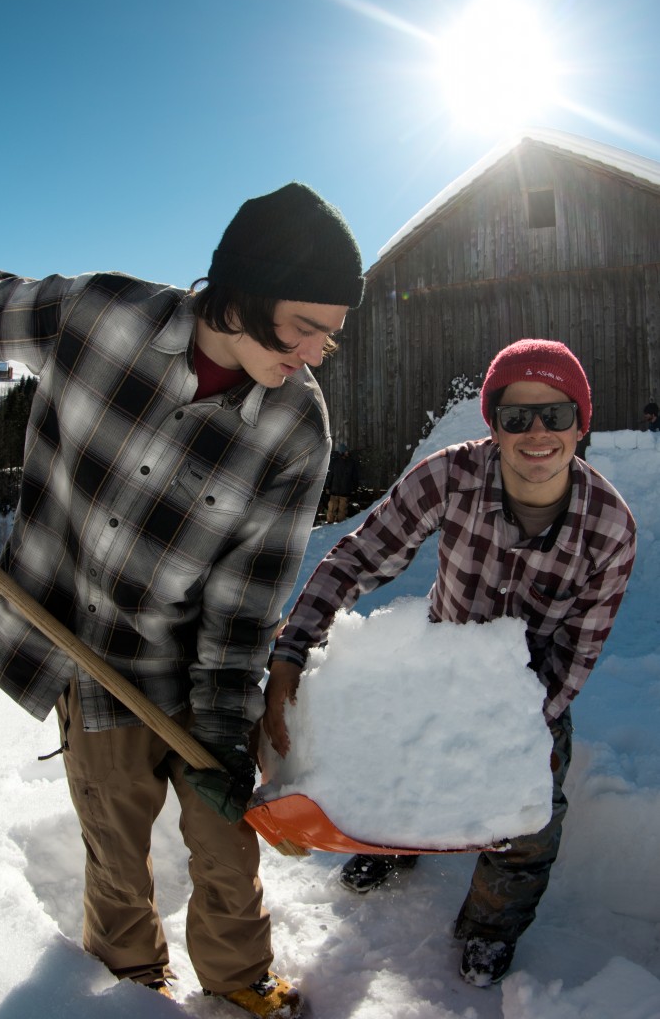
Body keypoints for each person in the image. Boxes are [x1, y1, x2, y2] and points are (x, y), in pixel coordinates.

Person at [0, 182, 364, 1019]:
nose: (317, 351)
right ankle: (126, 986)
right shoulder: (98, 315)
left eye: (332, 334)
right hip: (76, 641)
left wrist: (223, 733)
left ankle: (237, 983)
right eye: (306, 325)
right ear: (244, 291)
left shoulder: (295, 427)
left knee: (226, 845)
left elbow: (247, 603)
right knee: (112, 838)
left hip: (191, 662)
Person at [265, 339, 636, 989]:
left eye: (554, 413)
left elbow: (575, 655)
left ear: (581, 422)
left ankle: (490, 927)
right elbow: (359, 556)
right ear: (492, 423)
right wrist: (293, 649)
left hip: (530, 694)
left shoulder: (609, 529)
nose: (536, 433)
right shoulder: (450, 475)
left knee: (528, 820)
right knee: (407, 757)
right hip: (440, 669)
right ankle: (396, 841)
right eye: (515, 417)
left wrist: (509, 738)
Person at [325, 442, 359, 523]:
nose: (348, 452)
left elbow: (354, 476)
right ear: (342, 452)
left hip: (345, 491)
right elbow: (330, 475)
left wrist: (354, 488)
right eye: (346, 451)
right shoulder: (334, 462)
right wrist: (327, 486)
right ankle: (329, 524)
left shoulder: (351, 463)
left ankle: (340, 527)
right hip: (334, 491)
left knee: (342, 510)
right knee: (331, 509)